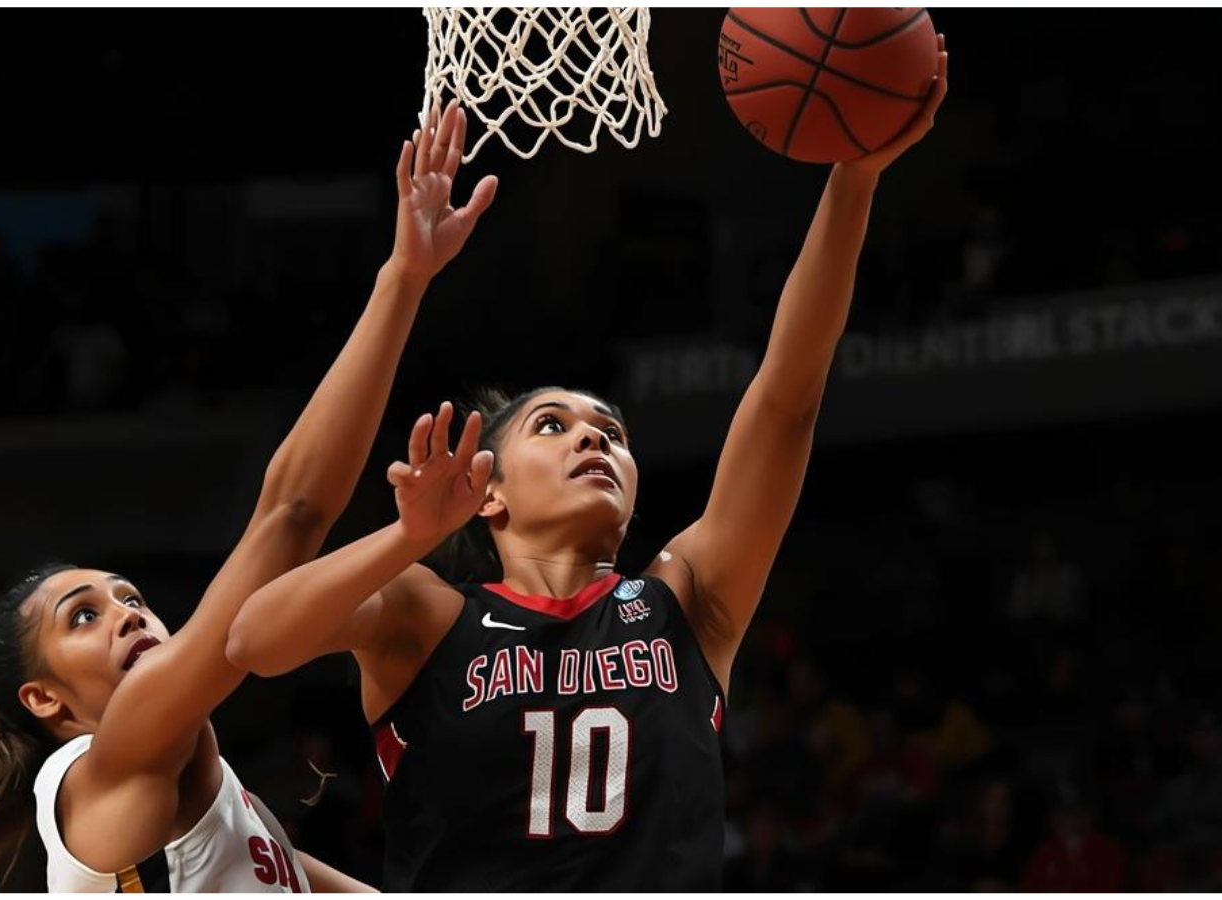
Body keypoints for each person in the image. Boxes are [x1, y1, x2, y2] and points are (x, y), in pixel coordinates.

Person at [228, 40, 949, 891]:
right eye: (553, 425)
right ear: (487, 491)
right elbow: (252, 641)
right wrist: (406, 536)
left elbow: (787, 399)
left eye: (611, 431)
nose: (594, 439)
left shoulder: (688, 597)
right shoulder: (424, 616)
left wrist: (852, 180)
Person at [0, 101, 497, 892]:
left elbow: (297, 511)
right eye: (83, 616)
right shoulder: (96, 772)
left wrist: (407, 277)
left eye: (128, 597)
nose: (127, 612)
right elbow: (291, 516)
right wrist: (401, 281)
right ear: (44, 697)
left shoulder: (222, 807)